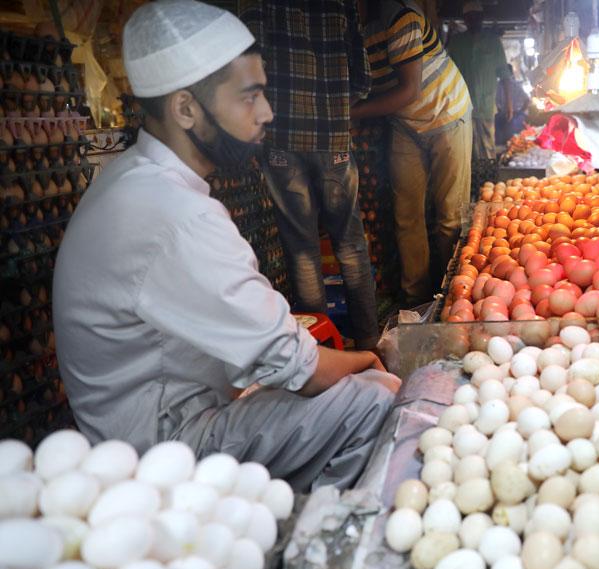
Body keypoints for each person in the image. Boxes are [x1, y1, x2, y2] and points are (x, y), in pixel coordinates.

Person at [53, 0, 398, 491]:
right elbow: (306, 371)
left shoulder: (134, 180)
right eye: (249, 96)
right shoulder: (175, 213)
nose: (267, 113)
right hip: (160, 451)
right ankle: (316, 537)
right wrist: (371, 359)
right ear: (186, 109)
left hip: (152, 416)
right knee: (374, 399)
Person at [239, 0, 380, 351]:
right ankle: (368, 344)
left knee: (302, 248)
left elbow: (247, 63)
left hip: (282, 138)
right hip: (333, 138)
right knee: (350, 242)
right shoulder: (342, 4)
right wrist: (337, 106)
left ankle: (322, 349)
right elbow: (362, 77)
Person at [353, 0, 472, 306]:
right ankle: (416, 298)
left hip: (446, 114)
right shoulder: (350, 30)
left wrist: (353, 113)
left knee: (449, 216)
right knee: (406, 215)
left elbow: (409, 90)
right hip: (405, 124)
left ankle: (452, 297)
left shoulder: (401, 18)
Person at [446, 1, 511, 160]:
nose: (473, 20)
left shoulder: (493, 42)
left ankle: (488, 181)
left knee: (487, 148)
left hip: (486, 106)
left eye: (476, 17)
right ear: (465, 19)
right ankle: (471, 183)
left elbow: (504, 75)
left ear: (482, 18)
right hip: (461, 107)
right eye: (469, 17)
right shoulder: (456, 43)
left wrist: (509, 103)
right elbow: (447, 75)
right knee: (465, 151)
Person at [495, 64, 528, 146]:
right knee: (505, 141)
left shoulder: (515, 85)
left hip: (514, 116)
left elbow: (527, 100)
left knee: (513, 142)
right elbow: (527, 100)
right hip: (505, 116)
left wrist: (520, 112)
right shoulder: (498, 86)